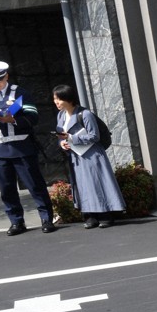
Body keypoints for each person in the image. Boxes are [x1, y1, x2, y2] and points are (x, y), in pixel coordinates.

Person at [0, 61, 55, 235]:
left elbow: (33, 117)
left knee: (35, 185)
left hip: (21, 146)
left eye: (0, 79)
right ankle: (16, 222)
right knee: (6, 189)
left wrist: (14, 120)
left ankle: (46, 219)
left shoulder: (20, 92)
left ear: (6, 76)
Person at [53, 84, 126, 228]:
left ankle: (106, 214)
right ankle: (89, 215)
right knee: (82, 185)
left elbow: (94, 136)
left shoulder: (84, 114)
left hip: (92, 154)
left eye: (59, 99)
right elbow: (61, 136)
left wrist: (72, 139)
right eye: (55, 99)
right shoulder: (60, 116)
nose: (56, 102)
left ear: (68, 98)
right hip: (76, 156)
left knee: (97, 183)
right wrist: (62, 144)